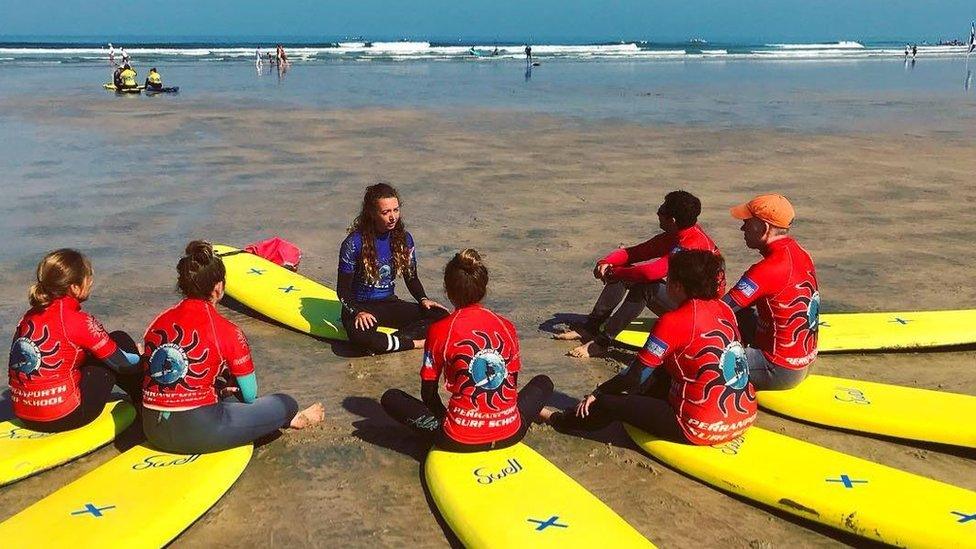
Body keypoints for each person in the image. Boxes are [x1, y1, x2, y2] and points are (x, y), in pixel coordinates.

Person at [541, 250, 756, 446]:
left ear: (678, 286)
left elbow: (635, 376)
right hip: (745, 415)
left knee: (608, 400)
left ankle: (557, 419)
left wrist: (600, 392)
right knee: (659, 371)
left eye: (668, 278)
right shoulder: (726, 309)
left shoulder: (673, 321)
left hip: (697, 427)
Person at [141, 241, 324, 454]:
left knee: (219, 387)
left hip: (153, 429)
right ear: (218, 287)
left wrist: (218, 389)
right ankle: (290, 417)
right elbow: (249, 395)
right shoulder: (227, 330)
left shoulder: (158, 321)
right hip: (198, 432)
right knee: (285, 403)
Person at [382, 249, 554, 451]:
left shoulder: (439, 330)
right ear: (484, 288)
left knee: (391, 398)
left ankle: (456, 430)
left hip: (458, 440)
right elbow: (511, 385)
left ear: (448, 290)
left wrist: (452, 419)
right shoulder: (507, 326)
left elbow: (428, 394)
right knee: (543, 382)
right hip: (511, 434)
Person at [556, 190, 722, 358]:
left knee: (644, 286)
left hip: (701, 313)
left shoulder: (690, 245)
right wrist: (607, 263)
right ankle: (591, 328)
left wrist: (616, 273)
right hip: (685, 299)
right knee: (626, 272)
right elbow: (636, 252)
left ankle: (602, 343)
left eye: (662, 210)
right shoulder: (679, 234)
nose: (658, 212)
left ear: (671, 220)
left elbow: (652, 272)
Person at [7, 249, 142, 433]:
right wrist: (142, 357)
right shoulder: (78, 320)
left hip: (24, 413)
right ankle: (144, 403)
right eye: (89, 278)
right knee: (120, 340)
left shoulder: (28, 317)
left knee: (83, 352)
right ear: (74, 287)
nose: (92, 283)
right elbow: (123, 364)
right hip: (65, 416)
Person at [338, 183, 449, 354]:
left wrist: (423, 299)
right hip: (361, 307)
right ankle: (414, 343)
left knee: (441, 316)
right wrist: (358, 312)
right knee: (359, 336)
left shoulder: (404, 239)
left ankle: (387, 342)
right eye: (386, 212)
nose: (393, 217)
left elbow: (411, 278)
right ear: (372, 213)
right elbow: (343, 291)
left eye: (396, 210)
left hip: (388, 303)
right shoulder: (353, 243)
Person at [722, 194, 818, 391]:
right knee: (744, 311)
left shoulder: (767, 269)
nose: (742, 228)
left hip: (778, 369)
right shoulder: (800, 252)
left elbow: (719, 309)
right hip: (803, 361)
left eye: (747, 222)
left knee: (700, 352)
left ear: (764, 228)